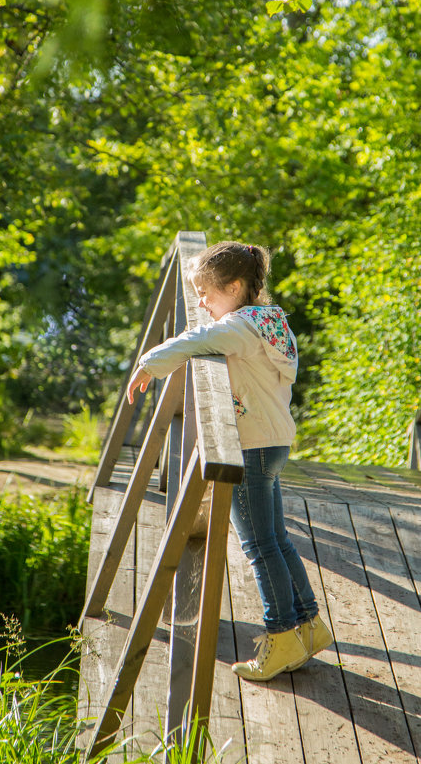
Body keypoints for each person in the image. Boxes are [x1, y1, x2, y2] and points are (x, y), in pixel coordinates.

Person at [126, 240, 333, 681]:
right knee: (275, 538)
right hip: (275, 442)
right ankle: (309, 624)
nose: (201, 303)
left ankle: (280, 635)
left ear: (236, 286)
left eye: (207, 294)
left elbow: (200, 338)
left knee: (259, 547)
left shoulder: (240, 328)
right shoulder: (271, 320)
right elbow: (210, 334)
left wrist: (149, 363)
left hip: (252, 447)